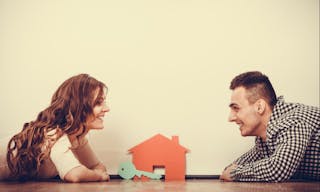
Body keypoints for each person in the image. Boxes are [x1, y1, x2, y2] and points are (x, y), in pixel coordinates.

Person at [0, 74, 110, 182]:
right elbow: (74, 175)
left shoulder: (78, 137)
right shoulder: (55, 134)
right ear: (78, 107)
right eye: (98, 103)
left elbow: (97, 166)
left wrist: (96, 173)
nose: (107, 108)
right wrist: (98, 176)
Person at [220, 71, 320, 182]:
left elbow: (278, 170)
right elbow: (229, 170)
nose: (230, 118)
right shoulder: (265, 140)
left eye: (236, 108)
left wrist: (234, 173)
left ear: (259, 107)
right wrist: (231, 171)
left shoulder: (293, 122)